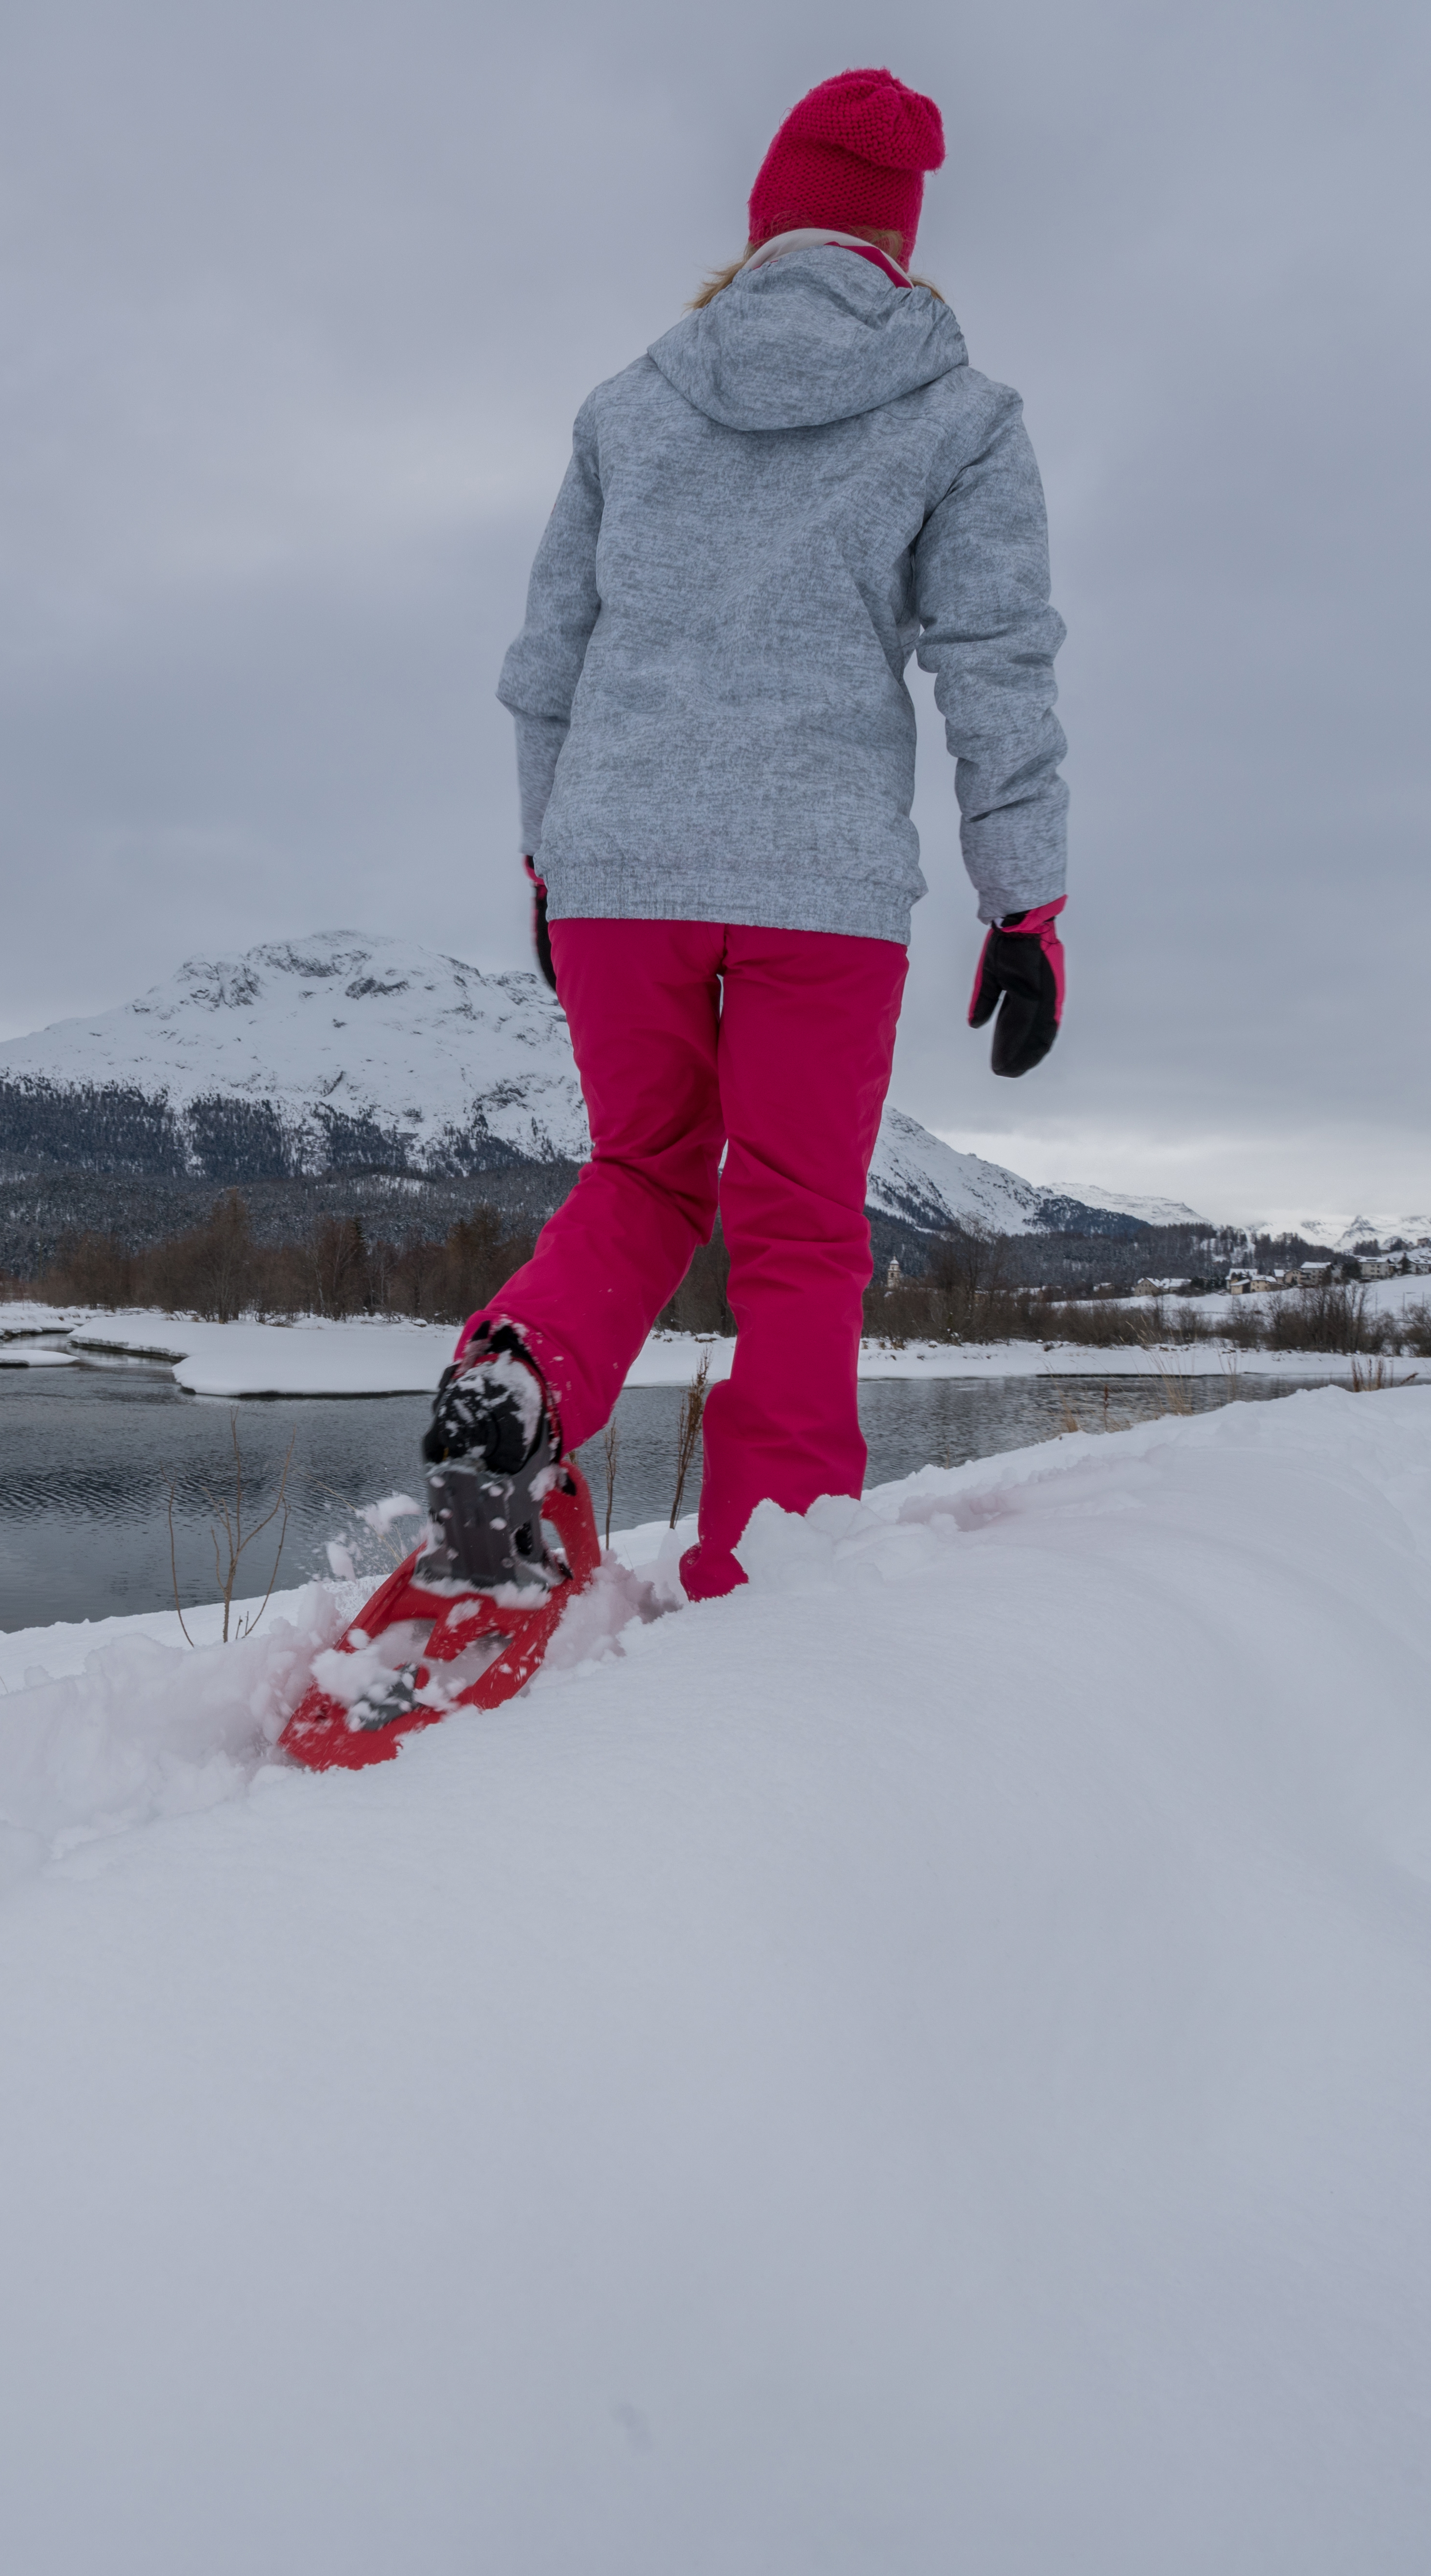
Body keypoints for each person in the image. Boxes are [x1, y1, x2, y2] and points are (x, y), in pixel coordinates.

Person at [423, 65, 1072, 1604]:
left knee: (647, 1172)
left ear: (765, 216)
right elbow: (998, 668)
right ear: (900, 241)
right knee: (796, 1224)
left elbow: (546, 674)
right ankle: (765, 1579)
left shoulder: (631, 404)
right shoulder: (963, 418)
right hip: (820, 890)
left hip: (619, 872)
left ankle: (521, 1369)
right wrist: (1025, 903)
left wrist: (548, 859)